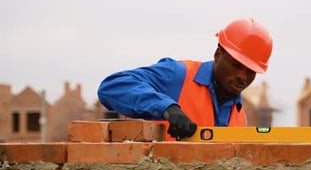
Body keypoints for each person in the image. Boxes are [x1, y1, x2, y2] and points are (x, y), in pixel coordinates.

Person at [97, 18, 273, 140]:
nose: (243, 76)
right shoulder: (178, 75)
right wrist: (167, 108)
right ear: (218, 54)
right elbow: (112, 86)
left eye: (250, 71)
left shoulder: (240, 118)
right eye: (236, 65)